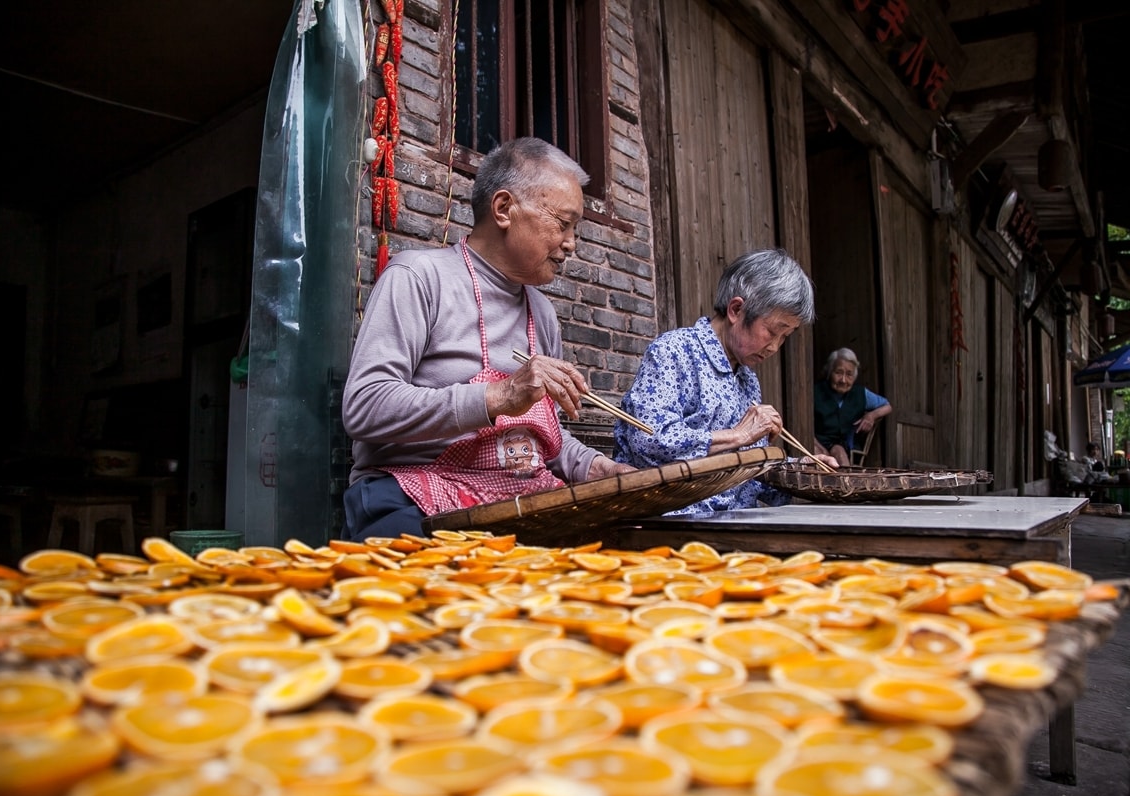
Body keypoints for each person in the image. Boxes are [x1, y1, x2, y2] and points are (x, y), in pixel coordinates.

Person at [340, 137, 634, 541]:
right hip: (413, 491)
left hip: (518, 494)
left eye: (574, 229)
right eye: (562, 224)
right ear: (503, 209)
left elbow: (542, 436)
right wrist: (499, 396)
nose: (571, 243)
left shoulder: (542, 314)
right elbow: (365, 406)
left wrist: (594, 468)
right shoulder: (418, 278)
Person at [613, 248, 834, 513]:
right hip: (668, 521)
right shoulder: (674, 352)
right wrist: (738, 435)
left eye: (785, 336)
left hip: (731, 521)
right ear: (736, 309)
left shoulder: (747, 380)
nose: (775, 346)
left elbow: (748, 474)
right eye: (773, 331)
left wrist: (799, 473)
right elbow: (648, 440)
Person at [812, 347, 892, 466]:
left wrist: (871, 416)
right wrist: (819, 447)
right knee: (816, 455)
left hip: (841, 445)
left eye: (849, 374)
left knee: (839, 452)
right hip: (816, 442)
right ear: (829, 372)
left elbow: (887, 406)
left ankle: (846, 483)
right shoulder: (815, 392)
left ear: (854, 377)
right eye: (838, 373)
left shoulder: (860, 394)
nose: (843, 380)